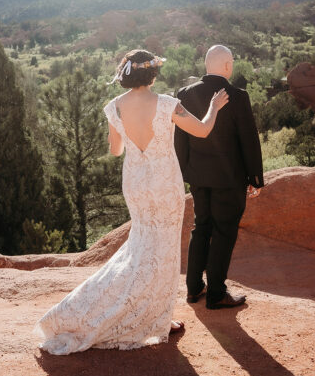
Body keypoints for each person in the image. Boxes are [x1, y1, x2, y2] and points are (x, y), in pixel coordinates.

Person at [37, 49, 229, 355]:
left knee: (142, 245)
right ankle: (157, 320)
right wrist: (214, 107)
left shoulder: (114, 107)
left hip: (136, 182)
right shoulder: (168, 104)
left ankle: (135, 313)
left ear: (127, 73)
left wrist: (128, 132)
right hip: (164, 182)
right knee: (163, 250)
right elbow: (204, 130)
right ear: (152, 74)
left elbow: (115, 150)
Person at [175, 44, 264, 309]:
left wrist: (184, 172)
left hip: (198, 178)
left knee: (201, 227)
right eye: (232, 62)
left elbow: (180, 138)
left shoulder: (185, 93)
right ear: (227, 66)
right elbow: (248, 140)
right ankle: (215, 293)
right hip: (230, 179)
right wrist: (255, 178)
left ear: (206, 65)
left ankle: (193, 289)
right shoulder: (237, 96)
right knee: (224, 232)